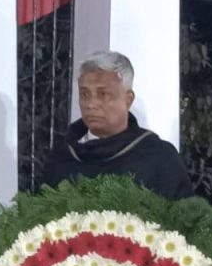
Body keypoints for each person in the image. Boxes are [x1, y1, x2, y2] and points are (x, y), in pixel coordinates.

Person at [39, 50, 192, 199]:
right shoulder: (62, 157)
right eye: (85, 94)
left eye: (103, 94)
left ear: (128, 100)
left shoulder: (158, 157)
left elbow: (184, 213)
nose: (91, 104)